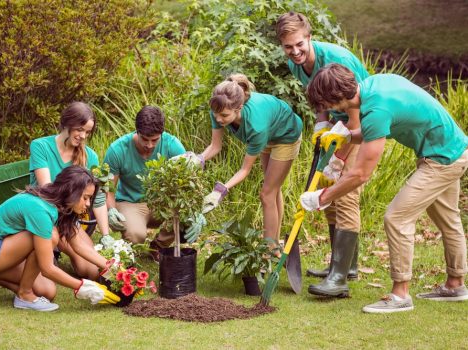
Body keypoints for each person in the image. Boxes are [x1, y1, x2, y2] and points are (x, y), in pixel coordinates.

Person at [300, 63, 468, 313]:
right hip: (454, 149)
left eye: (326, 104)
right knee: (448, 220)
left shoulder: (376, 109)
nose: (328, 110)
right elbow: (371, 133)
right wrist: (344, 136)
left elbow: (360, 174)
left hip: (442, 160)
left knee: (396, 217)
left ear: (336, 98)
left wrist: (322, 197)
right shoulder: (374, 87)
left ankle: (400, 295)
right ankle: (456, 285)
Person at [276, 11, 370, 297]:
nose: (295, 52)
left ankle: (339, 278)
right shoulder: (298, 64)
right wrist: (321, 123)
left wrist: (340, 157)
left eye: (299, 45)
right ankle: (341, 266)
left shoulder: (335, 59)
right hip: (338, 124)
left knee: (345, 194)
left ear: (309, 37)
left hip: (364, 122)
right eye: (288, 47)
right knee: (328, 195)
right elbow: (319, 96)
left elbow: (356, 112)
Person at [0, 166, 120, 310]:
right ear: (70, 191)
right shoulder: (40, 209)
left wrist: (115, 269)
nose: (88, 204)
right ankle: (24, 295)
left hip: (1, 249)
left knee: (47, 292)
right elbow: (47, 268)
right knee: (52, 236)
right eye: (85, 198)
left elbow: (78, 245)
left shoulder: (60, 206)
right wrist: (84, 287)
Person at [199, 73, 303, 248]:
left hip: (286, 135)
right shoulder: (218, 108)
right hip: (268, 134)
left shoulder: (256, 125)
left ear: (239, 108)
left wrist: (220, 191)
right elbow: (215, 147)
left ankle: (268, 252)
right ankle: (275, 246)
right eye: (216, 114)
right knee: (272, 190)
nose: (218, 119)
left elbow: (244, 170)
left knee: (267, 194)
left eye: (224, 115)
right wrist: (197, 159)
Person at [29, 101, 112, 280]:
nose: (83, 136)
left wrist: (106, 235)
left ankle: (55, 253)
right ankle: (49, 253)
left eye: (88, 132)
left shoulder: (90, 156)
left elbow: (97, 200)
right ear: (67, 123)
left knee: (90, 271)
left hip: (68, 220)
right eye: (79, 129)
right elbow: (47, 189)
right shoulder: (40, 146)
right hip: (46, 216)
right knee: (54, 274)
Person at [104, 105, 189, 262]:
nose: (149, 145)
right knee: (136, 235)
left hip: (161, 202)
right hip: (130, 202)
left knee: (187, 216)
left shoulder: (173, 146)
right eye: (145, 139)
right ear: (136, 131)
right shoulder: (117, 149)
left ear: (162, 134)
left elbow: (186, 185)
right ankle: (131, 246)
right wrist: (110, 210)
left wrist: (194, 214)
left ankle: (158, 246)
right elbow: (108, 189)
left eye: (155, 140)